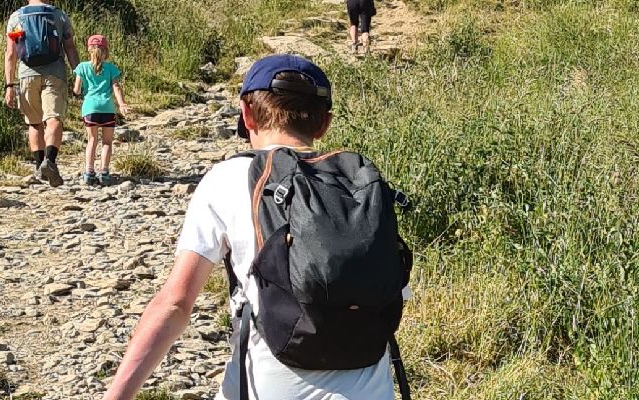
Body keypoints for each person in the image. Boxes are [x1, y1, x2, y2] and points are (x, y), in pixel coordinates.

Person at [102, 55, 413, 400]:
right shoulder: (359, 185)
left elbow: (175, 304)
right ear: (324, 123)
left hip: (266, 387)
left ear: (246, 114)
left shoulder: (227, 178)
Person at [2, 0, 78, 186]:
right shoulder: (59, 15)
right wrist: (79, 75)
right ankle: (50, 161)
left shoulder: (16, 17)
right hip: (55, 73)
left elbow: (10, 54)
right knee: (53, 119)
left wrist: (9, 85)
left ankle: (39, 168)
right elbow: (70, 47)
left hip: (27, 74)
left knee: (35, 123)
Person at [72, 34, 131, 186]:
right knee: (107, 142)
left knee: (92, 140)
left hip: (90, 107)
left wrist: (81, 89)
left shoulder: (82, 67)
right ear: (106, 51)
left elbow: (77, 90)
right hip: (107, 108)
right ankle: (104, 172)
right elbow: (116, 87)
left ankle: (89, 172)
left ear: (89, 49)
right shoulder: (111, 68)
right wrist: (122, 104)